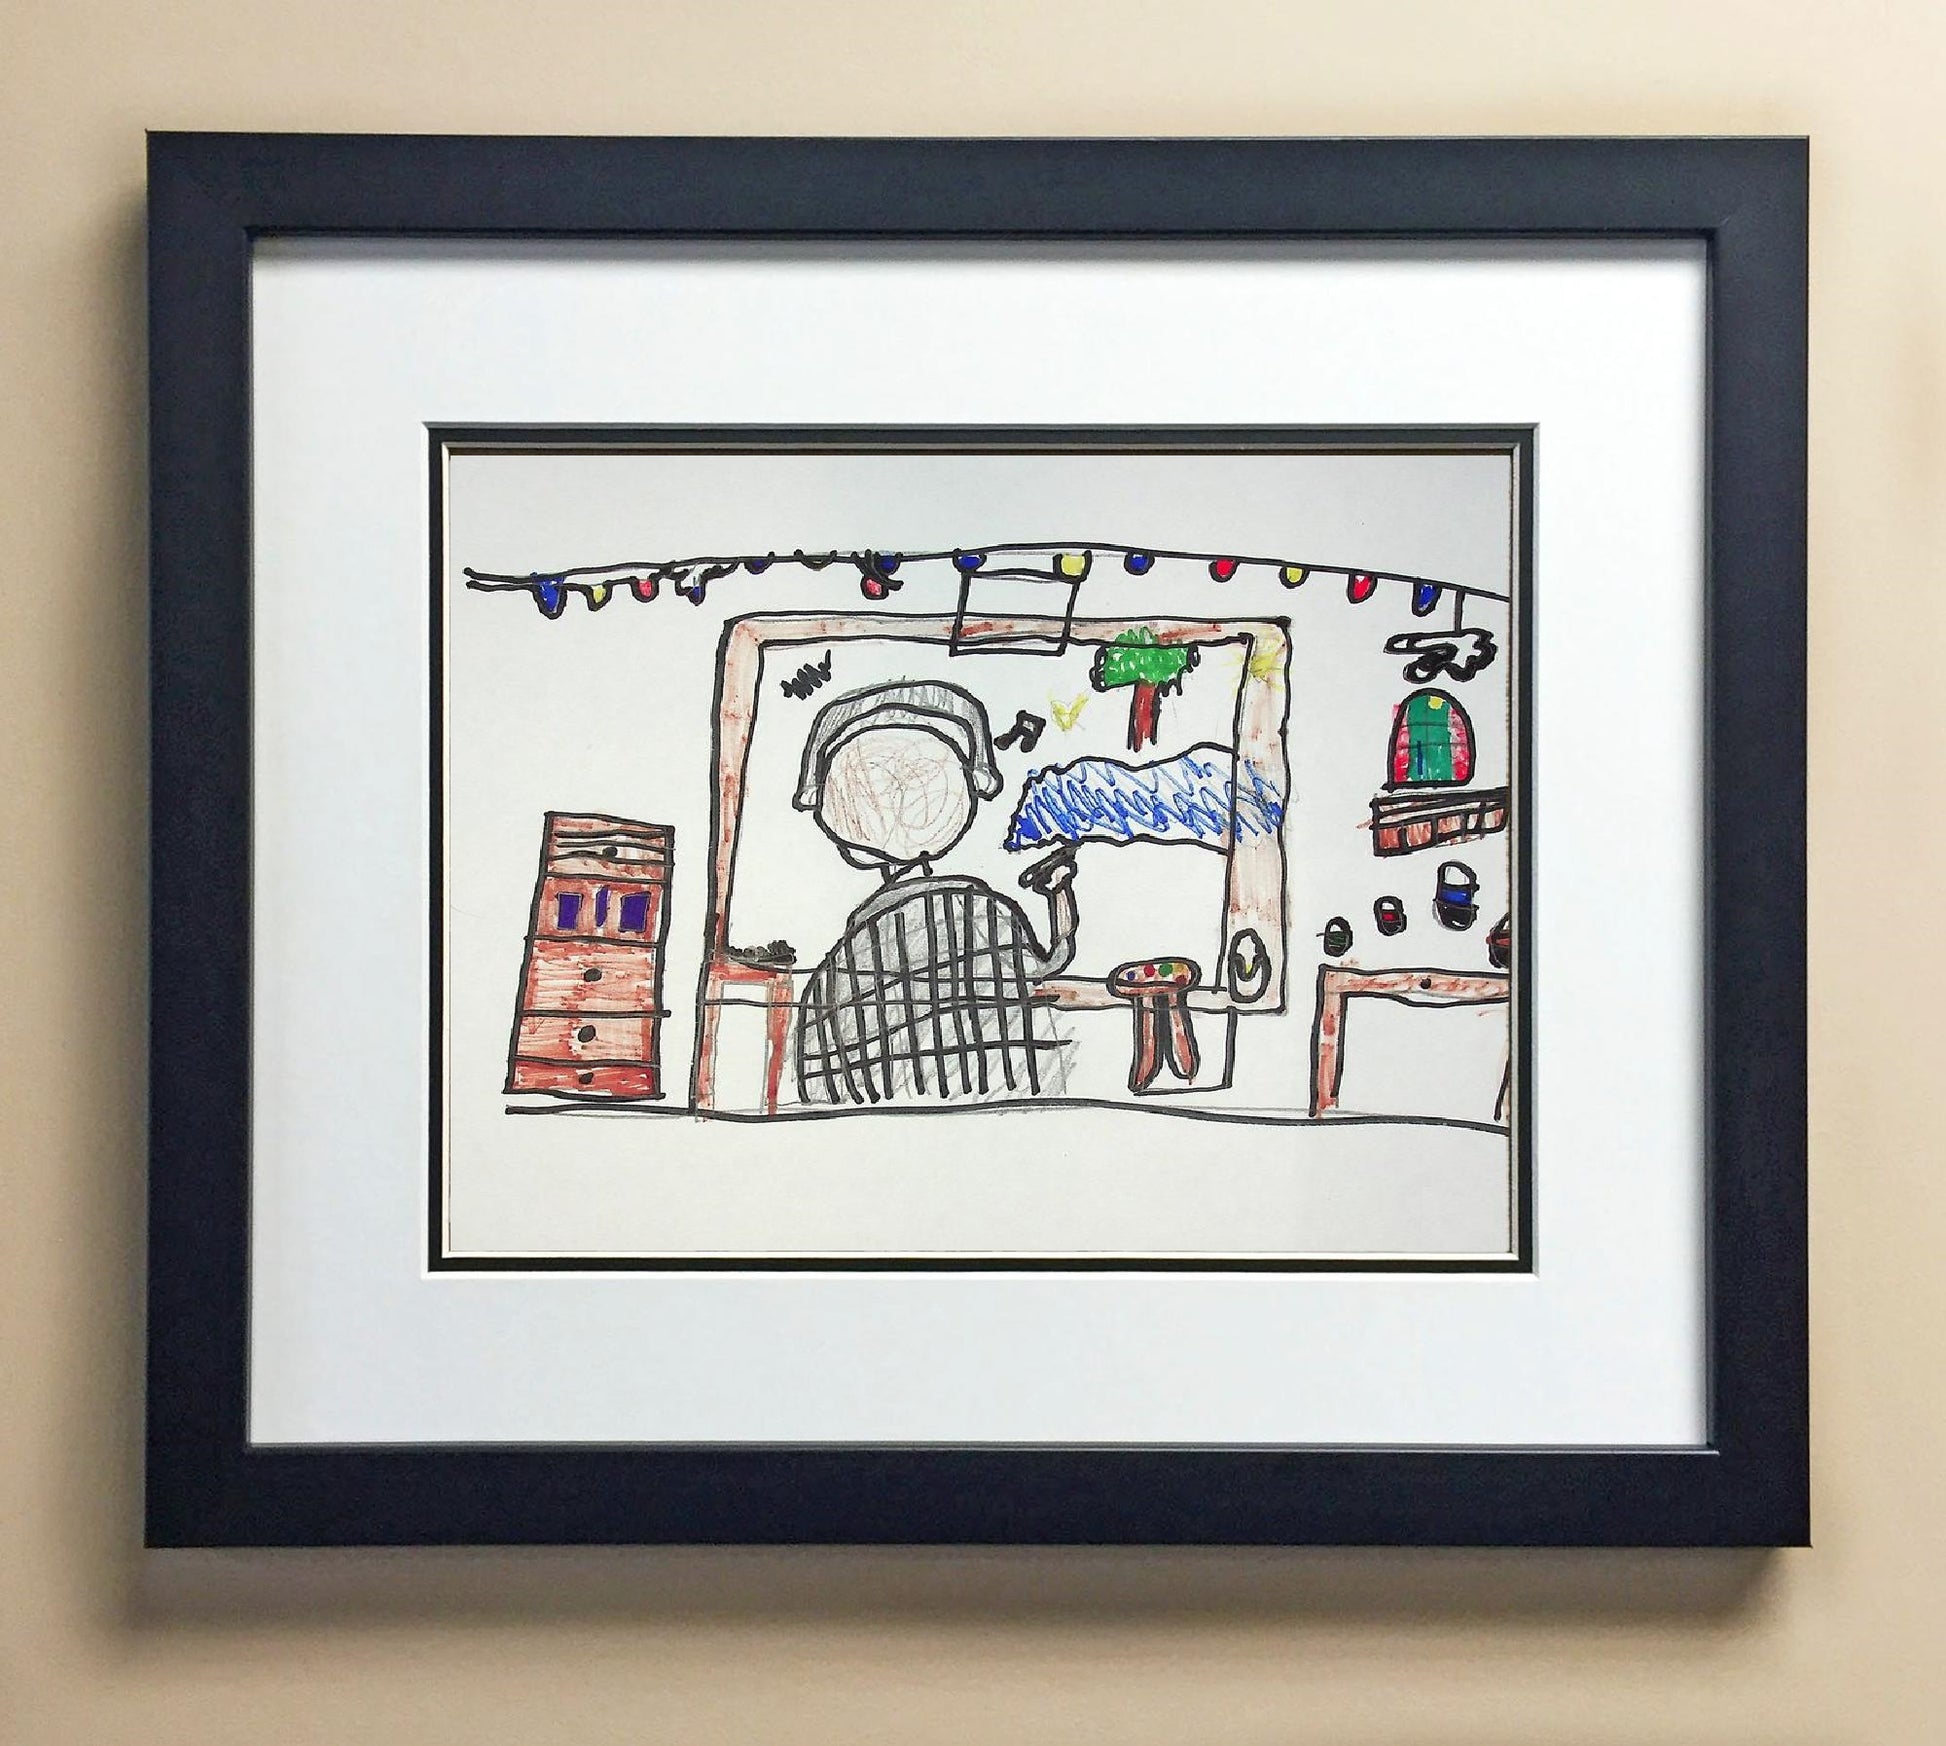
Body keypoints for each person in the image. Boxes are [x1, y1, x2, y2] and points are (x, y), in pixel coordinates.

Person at [792, 681, 1078, 1105]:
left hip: (875, 1115)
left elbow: (819, 1064)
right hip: (1001, 1100)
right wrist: (1059, 894)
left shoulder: (849, 954)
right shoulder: (988, 912)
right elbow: (1049, 964)